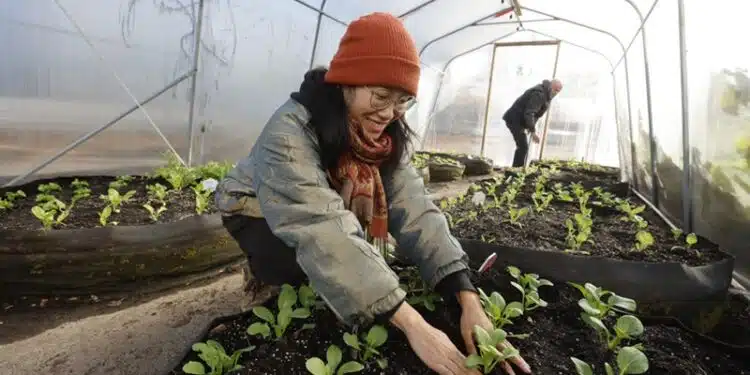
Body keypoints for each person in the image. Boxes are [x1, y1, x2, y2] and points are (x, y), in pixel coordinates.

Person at [214, 12, 531, 375]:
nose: (389, 113)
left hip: (325, 201)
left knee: (345, 275)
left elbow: (415, 208)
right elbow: (319, 226)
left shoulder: (383, 135)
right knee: (298, 268)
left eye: (402, 101)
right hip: (255, 205)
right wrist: (415, 327)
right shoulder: (289, 131)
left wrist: (466, 296)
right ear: (347, 83)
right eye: (380, 96)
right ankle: (260, 272)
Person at [502, 79, 563, 167]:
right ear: (550, 86)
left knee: (523, 147)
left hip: (519, 120)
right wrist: (533, 131)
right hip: (514, 120)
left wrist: (529, 128)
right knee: (523, 147)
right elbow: (530, 113)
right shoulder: (539, 94)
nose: (556, 93)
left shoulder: (547, 95)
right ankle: (515, 172)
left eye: (559, 91)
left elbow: (535, 114)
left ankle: (517, 171)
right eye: (556, 90)